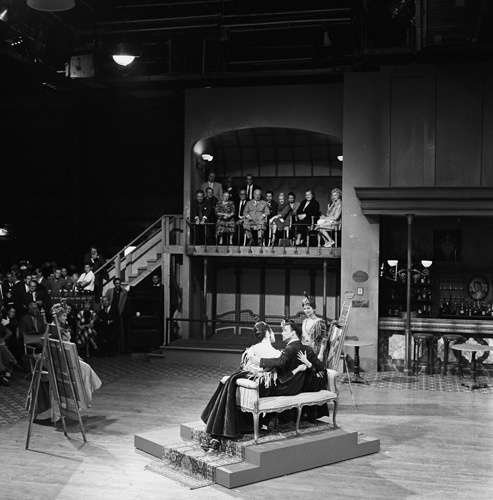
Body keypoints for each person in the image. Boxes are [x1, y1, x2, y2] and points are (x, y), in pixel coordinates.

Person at [200, 319, 307, 442]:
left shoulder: (251, 349)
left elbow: (246, 367)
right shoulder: (276, 353)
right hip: (263, 384)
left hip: (249, 380)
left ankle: (216, 428)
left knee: (230, 380)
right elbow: (277, 366)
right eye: (272, 332)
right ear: (268, 333)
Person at [301, 292, 329, 365]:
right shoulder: (305, 321)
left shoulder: (320, 322)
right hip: (305, 350)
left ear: (313, 309)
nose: (306, 310)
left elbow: (324, 339)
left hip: (315, 350)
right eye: (304, 309)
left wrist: (321, 353)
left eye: (308, 308)